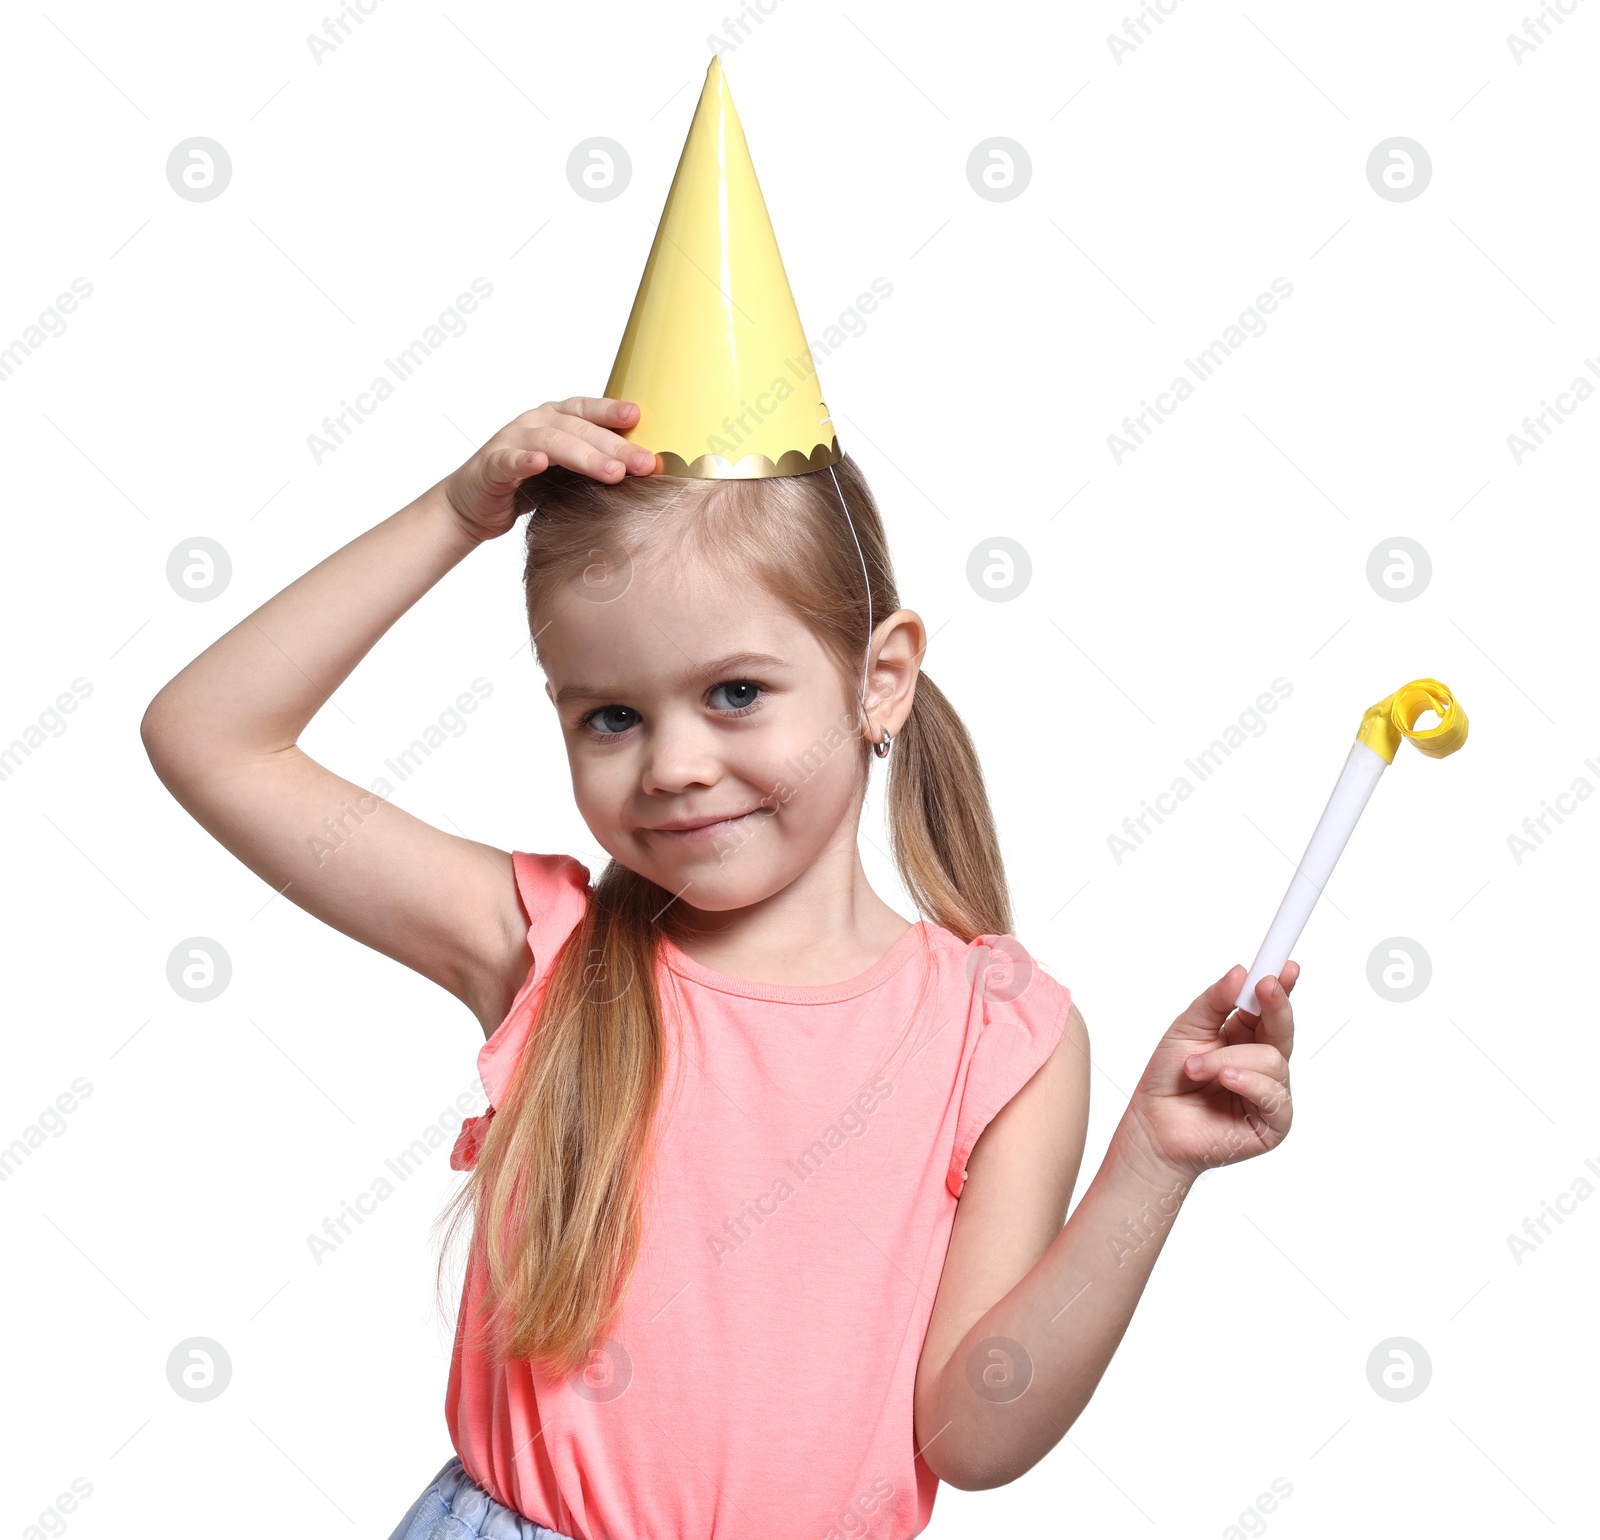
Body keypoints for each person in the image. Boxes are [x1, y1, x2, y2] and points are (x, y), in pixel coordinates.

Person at [141, 395, 1299, 1540]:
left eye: (735, 692)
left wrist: (1151, 1163)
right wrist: (455, 515)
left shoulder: (1001, 1037)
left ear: (879, 676)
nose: (674, 765)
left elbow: (975, 1438)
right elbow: (210, 735)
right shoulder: (548, 952)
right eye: (608, 716)